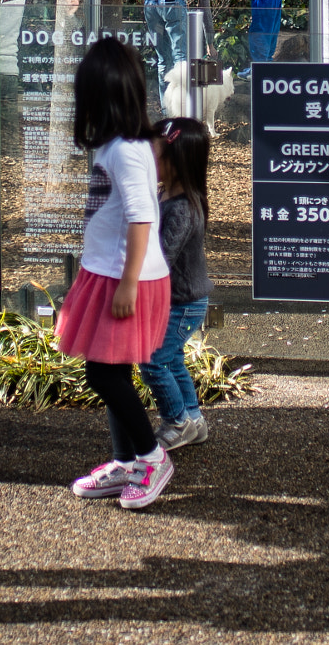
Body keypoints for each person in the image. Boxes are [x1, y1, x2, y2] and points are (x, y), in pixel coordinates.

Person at [54, 37, 176, 511]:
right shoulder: (122, 146)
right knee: (111, 371)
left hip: (125, 277)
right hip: (110, 272)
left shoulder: (125, 150)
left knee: (104, 374)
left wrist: (127, 281)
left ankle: (150, 457)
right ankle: (126, 459)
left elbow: (141, 215)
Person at [141, 115, 212, 452]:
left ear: (175, 161)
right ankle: (194, 419)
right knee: (173, 359)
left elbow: (161, 258)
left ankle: (177, 420)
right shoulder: (168, 196)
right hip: (183, 300)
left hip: (183, 302)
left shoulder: (182, 208)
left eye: (153, 156)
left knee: (153, 359)